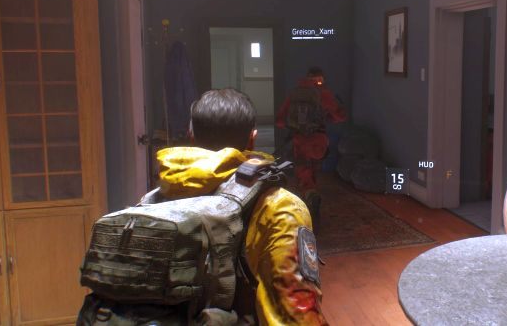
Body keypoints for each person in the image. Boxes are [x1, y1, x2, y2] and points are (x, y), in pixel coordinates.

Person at [79, 89, 327, 326]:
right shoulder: (279, 206)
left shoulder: (153, 199)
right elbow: (296, 314)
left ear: (192, 137)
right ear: (252, 138)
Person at [276, 67, 346, 230]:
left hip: (299, 141)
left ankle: (306, 205)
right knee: (313, 173)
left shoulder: (294, 93)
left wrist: (294, 125)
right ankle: (312, 199)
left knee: (303, 174)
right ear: (321, 78)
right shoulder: (324, 93)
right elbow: (340, 117)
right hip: (318, 141)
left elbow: (280, 121)